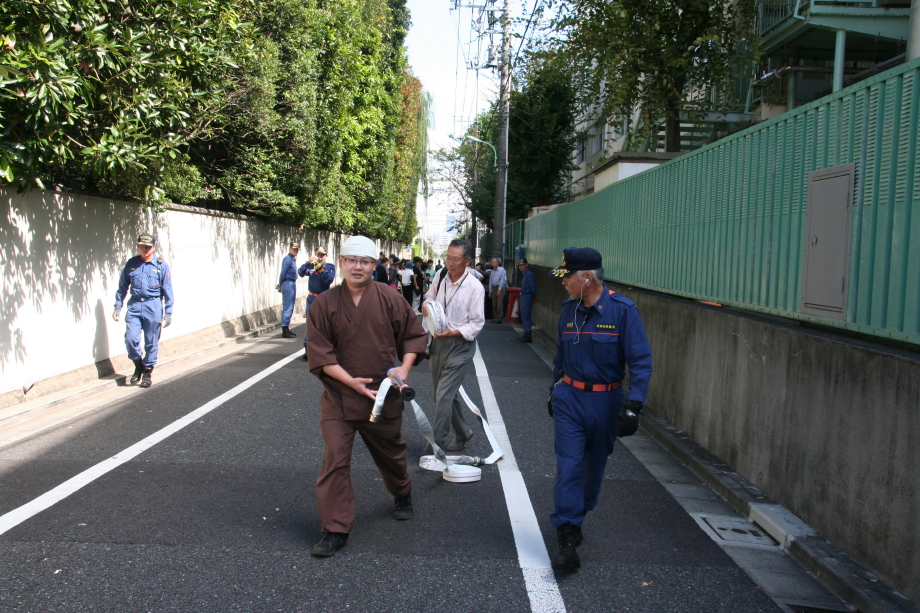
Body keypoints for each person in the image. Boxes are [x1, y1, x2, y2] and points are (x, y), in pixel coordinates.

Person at [306, 235, 428, 558]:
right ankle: (334, 528)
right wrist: (351, 382)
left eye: (365, 261)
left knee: (392, 455)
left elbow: (413, 337)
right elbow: (320, 353)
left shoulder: (390, 299)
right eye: (351, 260)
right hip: (339, 396)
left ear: (374, 265)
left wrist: (403, 369)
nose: (357, 267)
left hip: (382, 396)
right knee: (335, 459)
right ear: (341, 262)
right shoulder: (324, 304)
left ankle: (402, 492)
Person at [547, 247, 652, 571]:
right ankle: (566, 534)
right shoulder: (568, 310)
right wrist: (554, 390)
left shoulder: (623, 311)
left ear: (587, 278)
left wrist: (634, 405)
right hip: (570, 398)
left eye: (568, 277)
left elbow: (640, 361)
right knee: (569, 465)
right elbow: (560, 357)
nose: (563, 282)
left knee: (592, 469)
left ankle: (578, 514)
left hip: (606, 402)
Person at [421, 239, 485, 452]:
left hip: (460, 346)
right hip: (437, 342)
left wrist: (453, 332)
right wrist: (426, 305)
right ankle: (463, 432)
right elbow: (429, 297)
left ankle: (435, 446)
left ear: (467, 261)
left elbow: (476, 324)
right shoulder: (440, 276)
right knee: (442, 394)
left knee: (443, 395)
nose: (450, 263)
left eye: (456, 259)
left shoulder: (475, 287)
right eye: (448, 258)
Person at [113, 232, 174, 388]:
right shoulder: (132, 263)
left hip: (153, 306)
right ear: (138, 246)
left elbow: (167, 289)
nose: (145, 249)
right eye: (142, 246)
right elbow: (122, 287)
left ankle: (147, 372)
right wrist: (118, 307)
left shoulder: (161, 265)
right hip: (134, 305)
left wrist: (168, 312)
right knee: (130, 338)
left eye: (148, 247)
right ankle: (138, 364)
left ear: (153, 247)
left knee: (151, 342)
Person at [298, 246, 336, 359]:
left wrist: (321, 270)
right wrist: (308, 263)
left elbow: (328, 280)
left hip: (324, 298)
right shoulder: (312, 266)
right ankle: (307, 348)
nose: (319, 257)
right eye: (318, 254)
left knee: (323, 324)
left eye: (322, 255)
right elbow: (301, 272)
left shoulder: (329, 267)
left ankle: (322, 348)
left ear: (326, 256)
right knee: (310, 322)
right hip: (312, 297)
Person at [278, 241, 300, 338]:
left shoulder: (292, 259)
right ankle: (284, 330)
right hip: (288, 283)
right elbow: (283, 273)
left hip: (291, 282)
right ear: (290, 248)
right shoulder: (287, 259)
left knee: (290, 306)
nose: (295, 251)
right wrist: (280, 284)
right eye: (293, 249)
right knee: (288, 307)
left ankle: (286, 328)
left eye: (297, 249)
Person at [517, 258, 536, 343]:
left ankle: (528, 335)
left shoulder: (529, 275)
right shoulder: (525, 274)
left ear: (526, 265)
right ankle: (526, 333)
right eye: (519, 266)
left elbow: (533, 288)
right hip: (524, 296)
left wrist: (532, 297)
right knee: (523, 315)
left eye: (522, 265)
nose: (521, 267)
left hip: (527, 296)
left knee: (525, 316)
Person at [488, 257, 508, 324]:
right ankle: (495, 317)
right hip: (494, 287)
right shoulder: (492, 271)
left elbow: (502, 280)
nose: (494, 264)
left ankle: (499, 318)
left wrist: (499, 289)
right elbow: (491, 281)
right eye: (492, 263)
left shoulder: (501, 270)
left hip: (500, 287)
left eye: (495, 262)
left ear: (498, 263)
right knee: (494, 304)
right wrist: (490, 290)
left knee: (499, 304)